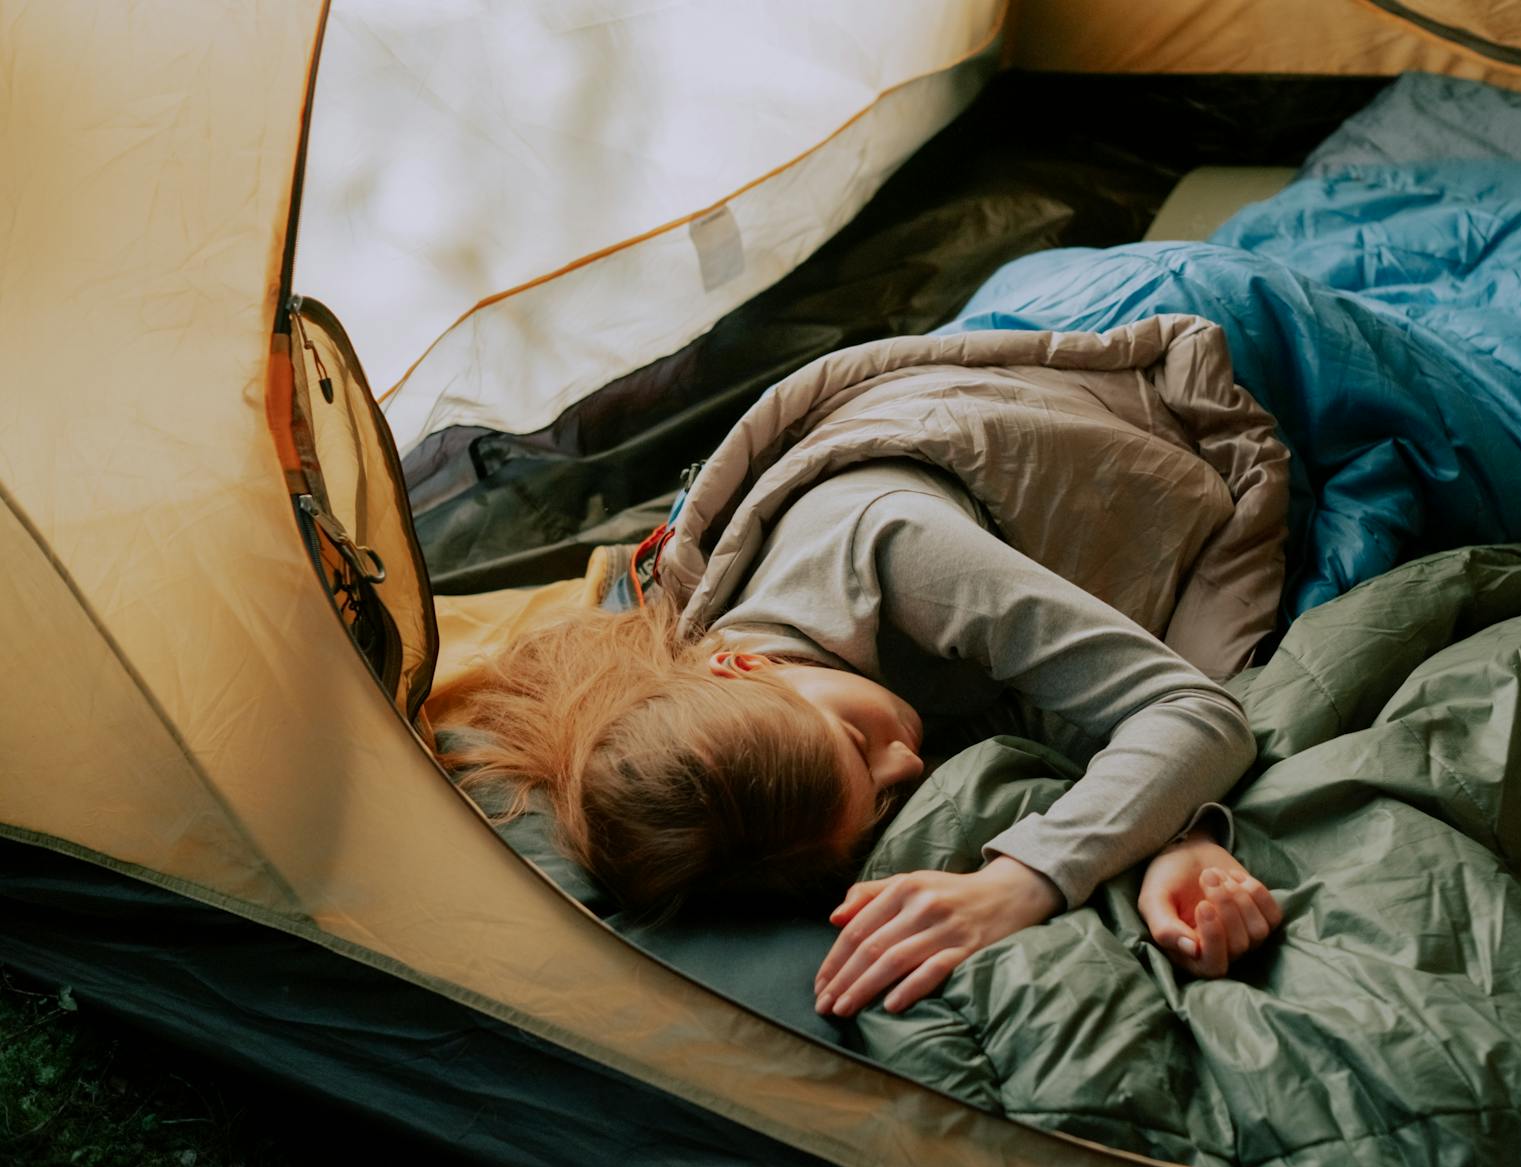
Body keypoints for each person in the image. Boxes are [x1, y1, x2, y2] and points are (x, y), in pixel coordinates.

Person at [433, 317, 1288, 1019]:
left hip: (1117, 360)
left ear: (735, 665)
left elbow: (1190, 706)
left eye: (858, 740)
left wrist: (1022, 879)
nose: (907, 763)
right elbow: (1064, 717)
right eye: (882, 798)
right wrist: (1172, 835)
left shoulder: (893, 548)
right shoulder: (783, 728)